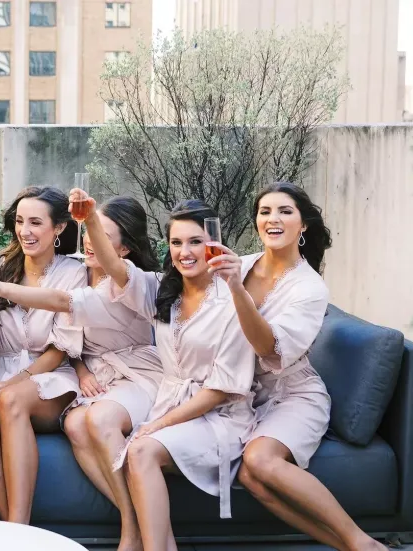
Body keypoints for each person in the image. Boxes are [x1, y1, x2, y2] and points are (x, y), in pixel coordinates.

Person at [0, 196, 163, 550]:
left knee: (97, 420)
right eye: (90, 232)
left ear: (123, 249)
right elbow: (72, 341)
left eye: (102, 234)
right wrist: (81, 368)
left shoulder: (128, 281)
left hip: (134, 374)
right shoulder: (81, 271)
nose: (91, 241)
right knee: (75, 424)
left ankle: (133, 529)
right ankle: (132, 517)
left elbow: (63, 305)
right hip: (96, 375)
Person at [208, 182, 386, 551]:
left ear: (303, 225)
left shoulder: (310, 287)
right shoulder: (240, 265)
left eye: (285, 211)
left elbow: (269, 348)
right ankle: (355, 547)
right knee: (250, 477)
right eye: (265, 211)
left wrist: (236, 291)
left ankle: (361, 541)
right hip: (244, 394)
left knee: (259, 460)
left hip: (294, 395)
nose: (273, 219)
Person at [77, 191, 255, 551]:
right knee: (133, 447)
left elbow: (220, 390)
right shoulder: (163, 291)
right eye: (176, 243)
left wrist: (156, 424)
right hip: (171, 406)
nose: (184, 252)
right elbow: (116, 267)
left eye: (195, 242)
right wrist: (91, 218)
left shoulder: (232, 302)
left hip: (219, 417)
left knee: (140, 450)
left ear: (214, 244)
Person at [0, 186, 87, 523]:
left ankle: (18, 525)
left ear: (59, 227)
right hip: (1, 372)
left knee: (10, 401)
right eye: (20, 221)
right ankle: (13, 525)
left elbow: (61, 347)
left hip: (49, 376)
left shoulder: (73, 272)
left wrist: (16, 382)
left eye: (36, 222)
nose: (25, 231)